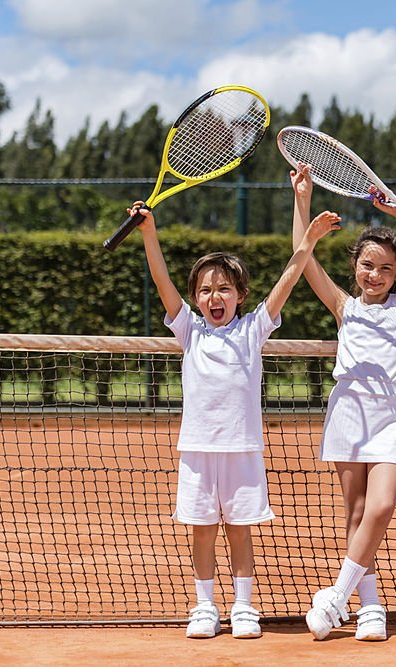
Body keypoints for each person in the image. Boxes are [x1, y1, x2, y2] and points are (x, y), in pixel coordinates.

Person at [132, 200, 338, 640]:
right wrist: (150, 232)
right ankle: (205, 606)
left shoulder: (253, 329)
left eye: (224, 289)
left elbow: (288, 279)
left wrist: (309, 239)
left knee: (239, 532)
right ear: (195, 299)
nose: (214, 297)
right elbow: (161, 280)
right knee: (202, 531)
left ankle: (243, 606)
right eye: (205, 290)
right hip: (197, 451)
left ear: (240, 295)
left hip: (242, 450)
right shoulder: (189, 329)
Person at [291, 165, 396, 641]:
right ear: (354, 267)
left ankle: (337, 596)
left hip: (391, 415)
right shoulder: (344, 306)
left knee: (381, 507)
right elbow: (302, 261)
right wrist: (302, 201)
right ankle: (371, 606)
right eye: (367, 265)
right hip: (348, 412)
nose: (375, 274)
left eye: (385, 268)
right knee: (356, 512)